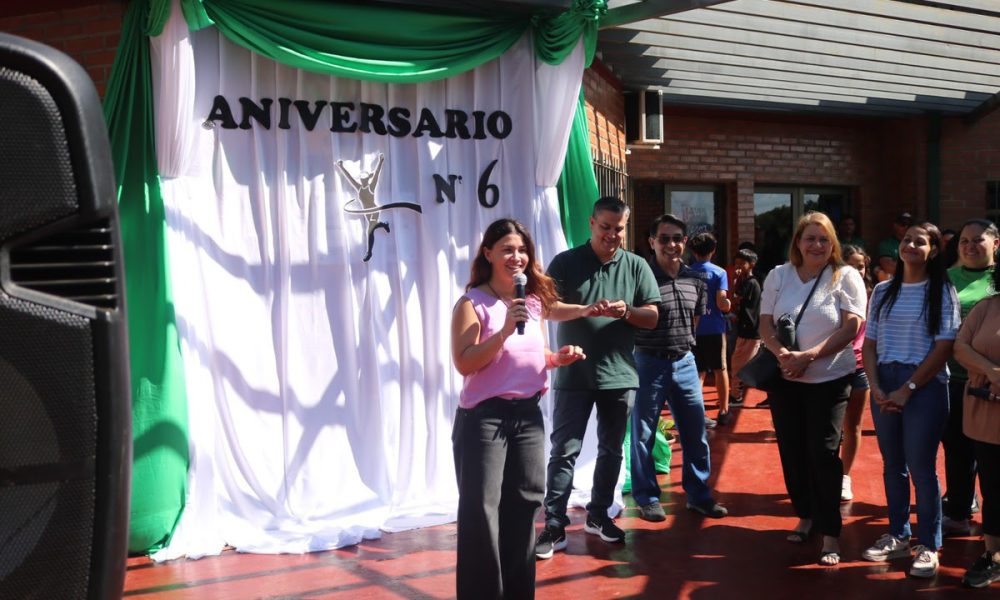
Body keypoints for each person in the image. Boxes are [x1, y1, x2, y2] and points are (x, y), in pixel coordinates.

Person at [450, 218, 588, 599]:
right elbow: (464, 362)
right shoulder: (472, 303)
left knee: (525, 508)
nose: (517, 257)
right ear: (488, 253)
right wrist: (504, 331)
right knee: (482, 513)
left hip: (527, 416)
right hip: (484, 420)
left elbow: (533, 354)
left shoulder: (532, 302)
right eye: (507, 249)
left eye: (522, 250)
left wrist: (556, 358)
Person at [535, 197, 660, 559]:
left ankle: (599, 514)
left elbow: (652, 316)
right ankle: (554, 524)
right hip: (573, 374)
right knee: (564, 451)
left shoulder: (636, 265)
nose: (611, 235)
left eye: (618, 228)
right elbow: (547, 308)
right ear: (591, 223)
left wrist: (627, 311)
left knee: (611, 450)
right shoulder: (566, 262)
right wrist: (585, 310)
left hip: (619, 376)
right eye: (605, 227)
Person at [758, 211, 867, 566]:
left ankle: (830, 531)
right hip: (786, 377)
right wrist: (784, 355)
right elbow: (765, 324)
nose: (817, 245)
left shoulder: (846, 276)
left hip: (829, 379)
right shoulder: (779, 275)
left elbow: (851, 326)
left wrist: (809, 356)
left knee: (823, 454)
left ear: (833, 243)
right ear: (798, 242)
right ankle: (805, 515)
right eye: (810, 238)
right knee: (792, 450)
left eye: (824, 239)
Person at [861, 221, 960, 579]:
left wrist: (908, 389)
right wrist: (876, 386)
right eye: (907, 240)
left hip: (924, 385)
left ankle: (928, 545)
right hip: (885, 381)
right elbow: (870, 343)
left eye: (921, 242)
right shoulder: (883, 290)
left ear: (933, 251)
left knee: (921, 467)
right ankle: (899, 535)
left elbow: (944, 346)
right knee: (893, 465)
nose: (911, 246)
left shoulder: (942, 290)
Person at [630, 214, 729, 523]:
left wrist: (682, 347)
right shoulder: (640, 278)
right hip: (648, 362)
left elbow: (694, 321)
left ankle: (698, 496)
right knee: (643, 433)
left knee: (695, 433)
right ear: (652, 242)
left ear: (685, 242)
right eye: (664, 239)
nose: (671, 244)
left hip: (685, 361)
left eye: (676, 238)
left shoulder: (695, 279)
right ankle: (647, 498)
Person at [941, 219, 999, 535]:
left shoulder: (998, 280)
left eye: (978, 240)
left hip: (993, 383)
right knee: (957, 449)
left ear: (996, 244)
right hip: (954, 378)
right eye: (964, 241)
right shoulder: (946, 278)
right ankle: (959, 510)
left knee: (991, 455)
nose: (970, 246)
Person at [953, 268, 1000, 588]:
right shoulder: (986, 307)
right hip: (986, 412)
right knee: (993, 487)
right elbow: (960, 347)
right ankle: (993, 555)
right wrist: (992, 371)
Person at [839, 244, 874, 502]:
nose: (857, 271)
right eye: (851, 265)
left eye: (860, 266)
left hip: (860, 367)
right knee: (828, 428)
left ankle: (844, 476)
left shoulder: (875, 295)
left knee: (853, 425)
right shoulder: (830, 294)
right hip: (831, 367)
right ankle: (825, 474)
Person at [688, 232, 732, 426]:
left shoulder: (686, 272)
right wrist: (727, 305)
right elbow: (722, 302)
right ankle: (723, 411)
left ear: (693, 251)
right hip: (714, 328)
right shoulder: (719, 273)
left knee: (697, 372)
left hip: (693, 329)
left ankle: (698, 413)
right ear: (713, 250)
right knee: (720, 369)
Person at [727, 248, 762, 407]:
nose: (738, 267)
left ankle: (736, 396)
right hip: (748, 329)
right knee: (744, 362)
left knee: (737, 363)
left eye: (742, 263)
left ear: (752, 264)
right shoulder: (748, 282)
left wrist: (734, 281)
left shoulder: (750, 283)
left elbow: (734, 300)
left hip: (749, 330)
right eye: (736, 263)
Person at [875, 211, 913, 282]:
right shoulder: (886, 244)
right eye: (903, 224)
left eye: (909, 225)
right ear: (895, 225)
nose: (906, 227)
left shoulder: (915, 244)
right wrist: (914, 267)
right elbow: (889, 267)